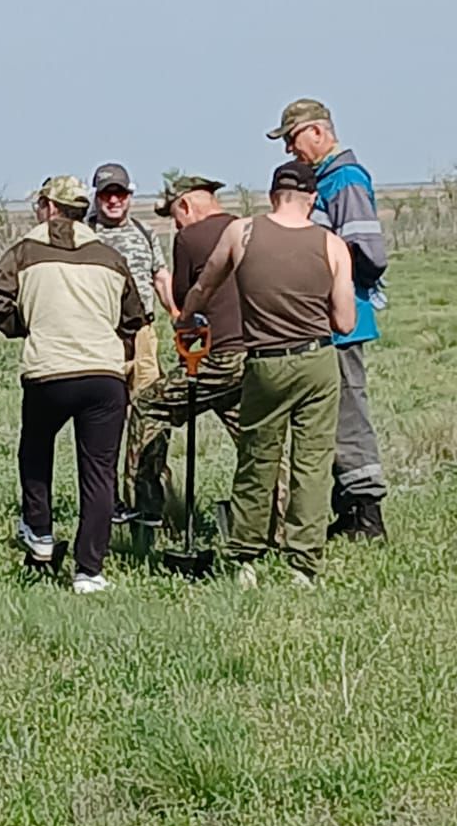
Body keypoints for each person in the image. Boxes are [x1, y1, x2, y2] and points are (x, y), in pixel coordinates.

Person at [180, 162, 355, 586]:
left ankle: (245, 556)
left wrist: (186, 314)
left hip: (263, 361)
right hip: (316, 361)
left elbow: (205, 285)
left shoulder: (242, 233)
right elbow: (346, 322)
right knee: (311, 462)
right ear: (312, 198)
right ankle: (304, 564)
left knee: (258, 456)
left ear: (273, 193)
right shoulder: (332, 245)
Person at [0, 175, 145, 593]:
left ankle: (40, 537)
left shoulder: (23, 252)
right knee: (99, 474)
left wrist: (23, 325)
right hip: (104, 375)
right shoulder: (109, 256)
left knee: (35, 455)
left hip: (48, 371)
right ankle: (89, 570)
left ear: (49, 207)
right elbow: (135, 318)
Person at [267, 98, 388, 539]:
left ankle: (366, 515)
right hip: (324, 323)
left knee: (349, 415)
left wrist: (325, 275)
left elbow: (369, 254)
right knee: (329, 416)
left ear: (318, 132)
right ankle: (344, 507)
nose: (290, 151)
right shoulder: (326, 181)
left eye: (293, 139)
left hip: (344, 321)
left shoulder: (345, 180)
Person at [124, 175, 245, 525]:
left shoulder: (189, 238)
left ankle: (145, 509)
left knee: (148, 406)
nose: (176, 223)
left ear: (186, 206)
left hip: (216, 358)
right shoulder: (247, 228)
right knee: (256, 440)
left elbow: (182, 298)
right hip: (254, 358)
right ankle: (274, 522)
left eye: (175, 215)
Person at [89, 162, 176, 523]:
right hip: (103, 336)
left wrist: (176, 311)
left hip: (143, 335)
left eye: (120, 193)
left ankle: (152, 499)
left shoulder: (144, 231)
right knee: (105, 419)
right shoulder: (85, 234)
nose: (113, 200)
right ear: (95, 197)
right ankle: (107, 503)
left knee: (151, 414)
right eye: (107, 193)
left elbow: (160, 276)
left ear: (129, 196)